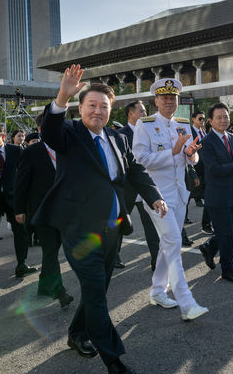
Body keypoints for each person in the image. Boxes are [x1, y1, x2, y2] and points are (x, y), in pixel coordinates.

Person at [34, 64, 165, 374]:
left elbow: (134, 170)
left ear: (111, 110)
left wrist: (154, 195)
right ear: (80, 108)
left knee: (98, 291)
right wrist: (62, 95)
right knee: (96, 295)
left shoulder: (118, 138)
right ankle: (114, 359)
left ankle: (77, 334)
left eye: (103, 106)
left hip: (112, 230)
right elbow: (49, 130)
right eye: (91, 105)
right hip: (79, 232)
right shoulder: (69, 133)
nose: (97, 111)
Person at [132, 79, 209, 320]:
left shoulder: (183, 125)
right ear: (155, 101)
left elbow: (189, 159)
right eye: (164, 98)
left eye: (173, 98)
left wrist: (190, 154)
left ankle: (157, 291)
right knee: (174, 241)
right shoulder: (145, 125)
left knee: (168, 244)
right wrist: (172, 152)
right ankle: (187, 303)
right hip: (156, 194)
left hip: (179, 193)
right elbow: (140, 159)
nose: (169, 102)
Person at [13, 114, 74, 309]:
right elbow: (21, 183)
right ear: (40, 130)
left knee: (58, 249)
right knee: (50, 249)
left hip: (67, 210)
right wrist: (19, 209)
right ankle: (59, 291)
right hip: (42, 210)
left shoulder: (68, 148)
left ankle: (44, 284)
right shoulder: (32, 152)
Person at [198, 103, 233, 283]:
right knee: (227, 234)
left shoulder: (231, 138)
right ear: (210, 121)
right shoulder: (206, 142)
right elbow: (213, 169)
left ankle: (210, 246)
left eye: (226, 117)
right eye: (219, 118)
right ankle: (228, 269)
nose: (223, 120)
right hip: (217, 195)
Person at [0, 122, 36, 277]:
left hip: (14, 199)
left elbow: (26, 173)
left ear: (2, 136)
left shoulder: (16, 150)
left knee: (21, 231)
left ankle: (22, 264)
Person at [118, 100, 160, 271]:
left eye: (145, 112)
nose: (145, 115)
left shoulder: (151, 132)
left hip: (145, 186)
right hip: (127, 188)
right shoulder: (120, 135)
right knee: (120, 224)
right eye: (141, 111)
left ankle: (157, 260)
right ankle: (113, 254)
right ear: (130, 113)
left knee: (151, 225)